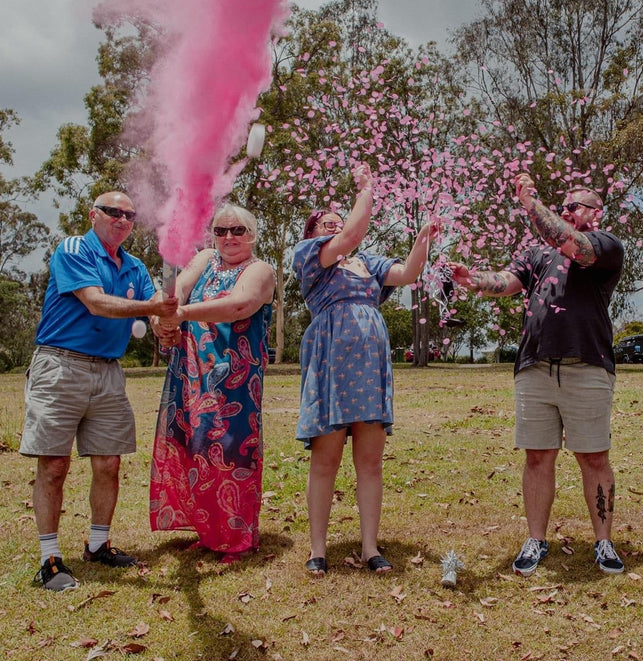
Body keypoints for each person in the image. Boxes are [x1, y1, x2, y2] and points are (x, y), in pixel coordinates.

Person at [448, 174, 625, 577]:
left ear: (595, 214)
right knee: (537, 456)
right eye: (562, 206)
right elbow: (508, 282)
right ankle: (536, 539)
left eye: (574, 206)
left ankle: (603, 541)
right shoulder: (535, 254)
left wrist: (532, 204)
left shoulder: (605, 246)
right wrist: (473, 278)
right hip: (535, 367)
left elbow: (573, 245)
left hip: (588, 366)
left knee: (594, 457)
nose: (565, 211)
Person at [22, 192, 179, 591]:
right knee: (54, 465)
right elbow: (95, 303)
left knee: (108, 464)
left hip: (109, 371)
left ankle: (98, 545)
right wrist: (153, 308)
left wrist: (167, 326)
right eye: (114, 212)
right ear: (94, 215)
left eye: (130, 214)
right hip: (61, 365)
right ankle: (50, 559)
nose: (122, 219)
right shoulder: (74, 249)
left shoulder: (135, 266)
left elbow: (153, 314)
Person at [294, 163, 438, 575]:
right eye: (327, 224)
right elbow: (351, 235)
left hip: (369, 367)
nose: (336, 227)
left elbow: (408, 273)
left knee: (370, 462)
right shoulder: (310, 258)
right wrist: (367, 188)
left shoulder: (368, 263)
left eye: (338, 222)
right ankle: (317, 550)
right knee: (326, 461)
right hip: (331, 365)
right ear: (313, 234)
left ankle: (371, 547)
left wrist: (423, 239)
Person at [149, 204, 276, 563]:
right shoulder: (205, 258)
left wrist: (182, 313)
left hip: (234, 379)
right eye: (221, 231)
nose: (229, 238)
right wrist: (163, 315)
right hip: (190, 370)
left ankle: (236, 537)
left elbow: (239, 305)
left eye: (237, 230)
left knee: (232, 451)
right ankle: (207, 530)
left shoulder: (261, 270)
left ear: (251, 233)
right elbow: (179, 289)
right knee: (194, 446)